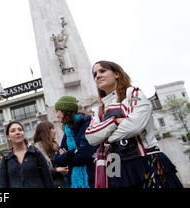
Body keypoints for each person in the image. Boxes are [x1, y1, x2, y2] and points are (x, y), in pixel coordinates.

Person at [85, 60, 183, 188]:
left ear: (116, 74)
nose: (98, 76)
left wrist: (105, 137)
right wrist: (115, 121)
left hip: (145, 160)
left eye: (102, 71)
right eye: (95, 74)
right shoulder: (98, 110)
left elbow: (134, 126)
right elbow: (91, 137)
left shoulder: (134, 94)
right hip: (115, 167)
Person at [53, 96, 98, 188]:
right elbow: (58, 160)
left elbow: (84, 154)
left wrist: (66, 156)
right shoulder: (68, 132)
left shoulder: (87, 125)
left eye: (58, 111)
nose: (57, 115)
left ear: (66, 111)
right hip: (73, 182)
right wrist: (71, 153)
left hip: (92, 179)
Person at [0, 121, 54, 188]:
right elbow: (3, 184)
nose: (17, 132)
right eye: (13, 131)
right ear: (8, 137)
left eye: (20, 130)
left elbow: (48, 180)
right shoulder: (6, 159)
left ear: (24, 133)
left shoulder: (35, 153)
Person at [33, 121, 68, 188]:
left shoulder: (55, 148)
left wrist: (64, 157)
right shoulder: (37, 151)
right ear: (46, 132)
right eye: (52, 129)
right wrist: (56, 170)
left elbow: (60, 167)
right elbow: (39, 173)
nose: (55, 131)